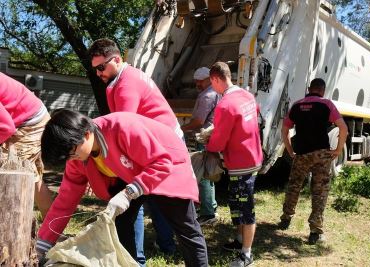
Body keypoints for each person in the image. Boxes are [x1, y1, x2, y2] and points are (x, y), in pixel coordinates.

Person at [35, 109, 208, 266]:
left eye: (72, 153)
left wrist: (129, 193)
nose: (72, 159)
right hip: (128, 175)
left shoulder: (123, 128)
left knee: (185, 229)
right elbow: (65, 201)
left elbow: (161, 163)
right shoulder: (77, 157)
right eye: (67, 157)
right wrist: (42, 245)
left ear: (86, 135)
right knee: (121, 223)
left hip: (165, 166)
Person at [88, 38, 179, 258]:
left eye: (101, 67)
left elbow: (123, 129)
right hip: (157, 142)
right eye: (95, 70)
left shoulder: (125, 86)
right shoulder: (122, 79)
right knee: (154, 196)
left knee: (136, 197)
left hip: (162, 145)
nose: (99, 73)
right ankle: (164, 247)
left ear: (117, 59)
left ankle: (137, 258)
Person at [278, 78, 348, 244]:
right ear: (322, 90)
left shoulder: (297, 105)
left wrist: (290, 150)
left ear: (309, 89)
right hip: (321, 155)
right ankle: (315, 232)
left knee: (294, 186)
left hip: (301, 154)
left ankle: (286, 219)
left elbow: (285, 129)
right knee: (319, 192)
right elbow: (343, 128)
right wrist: (338, 150)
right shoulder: (327, 104)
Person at [206, 62, 262, 267]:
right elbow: (254, 116)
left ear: (215, 79)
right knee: (236, 202)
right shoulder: (247, 95)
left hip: (241, 162)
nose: (212, 88)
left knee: (245, 208)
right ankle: (240, 242)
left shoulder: (225, 104)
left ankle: (246, 256)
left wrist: (207, 144)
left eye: (212, 84)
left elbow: (219, 141)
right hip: (252, 156)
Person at [0, 72, 53, 217]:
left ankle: (12, 229)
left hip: (30, 123)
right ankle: (53, 229)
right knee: (33, 178)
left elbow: (6, 128)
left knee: (11, 176)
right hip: (26, 119)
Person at [181, 67, 220, 225]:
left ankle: (208, 213)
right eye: (196, 81)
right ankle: (210, 207)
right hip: (209, 138)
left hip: (203, 138)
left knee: (203, 175)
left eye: (200, 81)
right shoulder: (215, 93)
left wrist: (180, 129)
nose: (197, 83)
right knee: (209, 173)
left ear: (208, 80)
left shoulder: (207, 96)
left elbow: (198, 122)